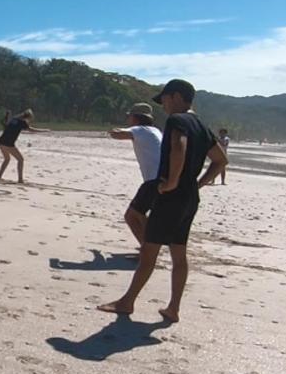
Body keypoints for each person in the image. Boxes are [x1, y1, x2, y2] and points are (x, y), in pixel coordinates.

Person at [97, 79, 227, 323]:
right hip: (190, 198)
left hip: (171, 196)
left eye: (165, 99)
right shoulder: (201, 124)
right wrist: (196, 183)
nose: (163, 105)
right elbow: (221, 160)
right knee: (179, 254)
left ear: (176, 96)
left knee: (149, 251)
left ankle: (127, 303)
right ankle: (173, 308)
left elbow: (179, 146)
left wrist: (171, 182)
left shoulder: (178, 121)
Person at [108, 103, 163, 247]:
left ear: (135, 118)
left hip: (153, 180)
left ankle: (149, 247)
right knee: (138, 214)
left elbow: (117, 134)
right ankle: (149, 245)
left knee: (132, 215)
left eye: (129, 116)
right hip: (162, 178)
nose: (128, 119)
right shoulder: (155, 130)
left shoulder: (140, 130)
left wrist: (113, 129)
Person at [0, 109, 48, 183]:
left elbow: (6, 125)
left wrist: (7, 116)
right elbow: (31, 130)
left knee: (7, 159)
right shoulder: (22, 122)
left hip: (1, 141)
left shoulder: (14, 119)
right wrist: (44, 130)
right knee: (20, 160)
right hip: (9, 143)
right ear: (29, 117)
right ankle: (20, 179)